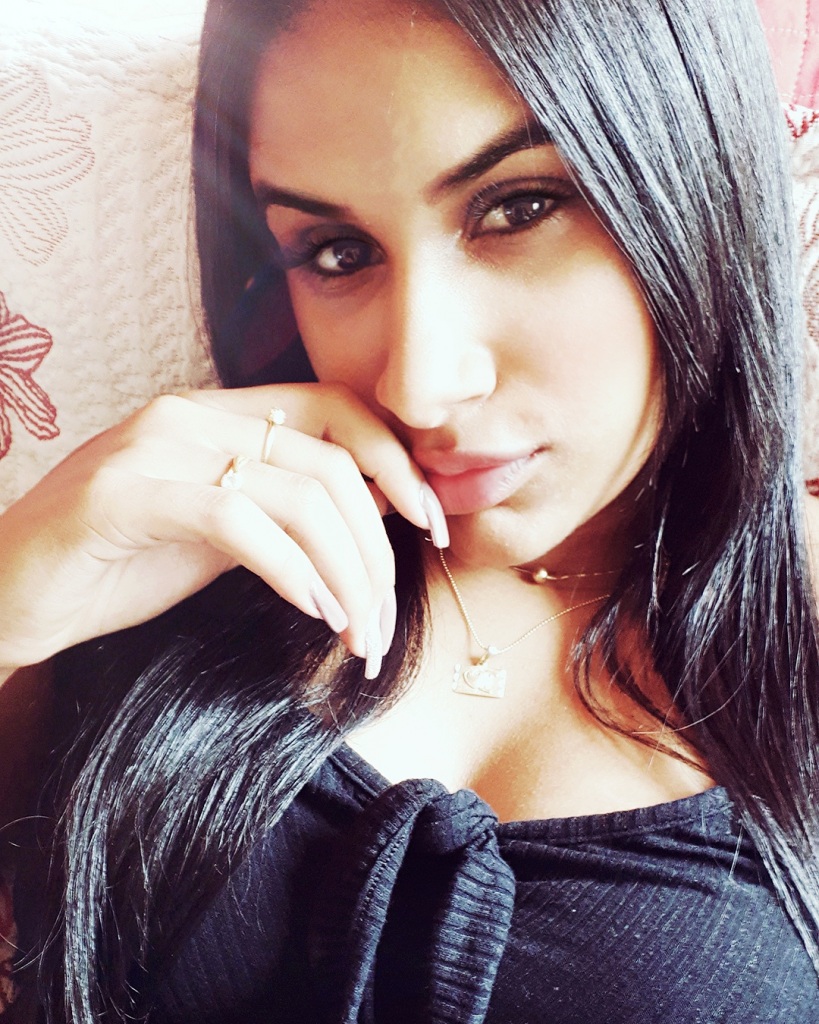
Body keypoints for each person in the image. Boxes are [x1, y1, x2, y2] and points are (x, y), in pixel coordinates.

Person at [2, 0, 819, 1019]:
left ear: (696, 180)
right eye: (337, 252)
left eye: (519, 207)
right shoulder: (172, 556)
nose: (419, 384)